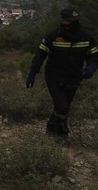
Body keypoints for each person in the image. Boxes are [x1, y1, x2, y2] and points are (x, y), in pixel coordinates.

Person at [26, 8, 98, 139]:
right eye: (68, 21)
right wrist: (32, 73)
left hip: (74, 77)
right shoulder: (53, 36)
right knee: (62, 107)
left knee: (64, 107)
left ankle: (55, 127)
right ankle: (57, 131)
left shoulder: (86, 38)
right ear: (63, 21)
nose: (70, 24)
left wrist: (91, 67)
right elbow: (40, 56)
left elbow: (94, 56)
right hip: (54, 76)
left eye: (74, 21)